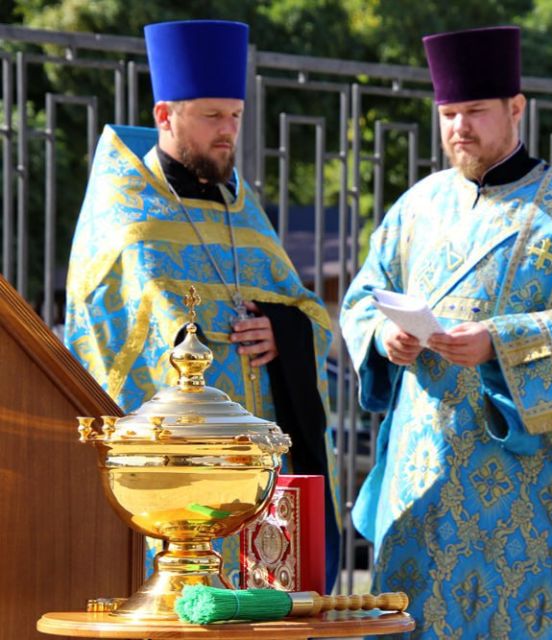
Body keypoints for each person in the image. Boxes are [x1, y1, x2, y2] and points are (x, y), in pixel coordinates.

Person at [339, 26, 552, 640]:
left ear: (516, 108)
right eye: (449, 113)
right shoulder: (415, 208)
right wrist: (382, 338)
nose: (459, 128)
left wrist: (498, 343)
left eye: (474, 111)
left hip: (520, 485)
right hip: (418, 476)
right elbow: (364, 296)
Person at [64, 19, 339, 590]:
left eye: (235, 116)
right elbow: (111, 338)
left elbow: (306, 309)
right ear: (166, 116)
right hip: (172, 481)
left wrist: (280, 331)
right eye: (212, 116)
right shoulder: (125, 210)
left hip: (258, 476)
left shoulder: (244, 211)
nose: (228, 132)